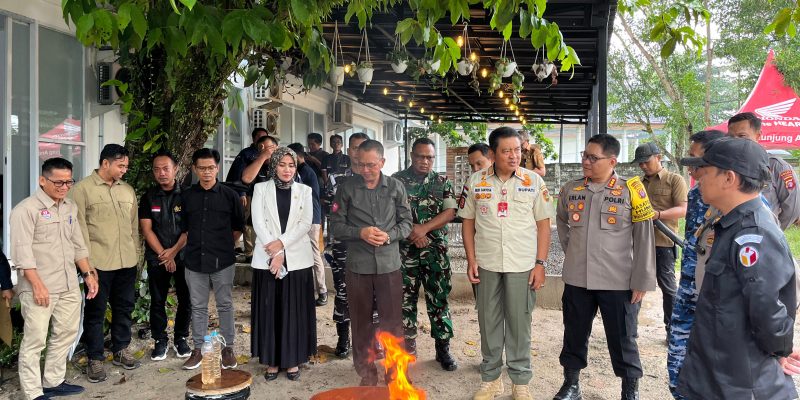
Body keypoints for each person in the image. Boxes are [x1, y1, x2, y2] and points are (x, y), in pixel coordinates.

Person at [677, 137, 797, 399]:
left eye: (704, 170)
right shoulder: (732, 225)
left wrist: (779, 351)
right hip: (720, 372)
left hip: (740, 382)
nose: (697, 177)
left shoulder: (753, 234)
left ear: (729, 178)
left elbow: (769, 312)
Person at [554, 133, 656, 400]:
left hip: (618, 281)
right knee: (574, 333)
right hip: (578, 278)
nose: (586, 162)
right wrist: (574, 253)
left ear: (612, 161)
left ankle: (629, 391)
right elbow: (562, 223)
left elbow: (644, 237)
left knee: (623, 339)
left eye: (593, 158)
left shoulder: (632, 190)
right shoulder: (571, 189)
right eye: (584, 156)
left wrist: (642, 280)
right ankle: (571, 385)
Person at [458, 127, 552, 400]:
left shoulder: (533, 181)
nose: (514, 156)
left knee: (519, 323)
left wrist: (540, 264)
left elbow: (544, 225)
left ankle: (520, 381)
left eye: (518, 150)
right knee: (488, 323)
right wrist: (471, 260)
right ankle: (491, 380)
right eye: (507, 151)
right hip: (486, 263)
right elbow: (468, 223)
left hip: (522, 264)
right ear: (492, 153)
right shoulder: (476, 181)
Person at [11, 158, 99, 400]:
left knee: (66, 333)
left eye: (69, 182)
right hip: (39, 286)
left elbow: (77, 244)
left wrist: (88, 274)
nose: (64, 187)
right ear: (43, 180)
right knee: (35, 340)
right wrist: (37, 286)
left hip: (68, 283)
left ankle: (53, 381)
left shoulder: (69, 206)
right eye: (58, 182)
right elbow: (22, 254)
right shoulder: (25, 210)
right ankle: (32, 392)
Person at [329, 139, 412, 386]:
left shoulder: (396, 187)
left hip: (389, 266)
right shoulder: (346, 189)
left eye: (371, 165)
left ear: (382, 162)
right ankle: (367, 373)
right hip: (358, 266)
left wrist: (389, 236)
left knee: (392, 322)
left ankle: (395, 372)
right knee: (361, 323)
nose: (365, 170)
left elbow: (407, 223)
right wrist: (360, 233)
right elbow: (335, 226)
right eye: (360, 164)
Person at [71, 144, 140, 382]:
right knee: (95, 313)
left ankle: (121, 349)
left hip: (126, 262)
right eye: (120, 166)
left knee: (124, 308)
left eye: (126, 166)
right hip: (97, 265)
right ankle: (95, 358)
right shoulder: (82, 190)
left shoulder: (127, 190)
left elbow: (133, 227)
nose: (124, 170)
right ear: (105, 163)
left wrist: (135, 255)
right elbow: (78, 232)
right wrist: (87, 268)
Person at [665, 130, 725, 399]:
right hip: (688, 291)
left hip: (715, 299)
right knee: (678, 364)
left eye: (695, 160)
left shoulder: (736, 203)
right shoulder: (695, 194)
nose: (691, 168)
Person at [250, 147, 317, 382]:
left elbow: (305, 224)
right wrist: (276, 252)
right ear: (273, 166)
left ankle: (292, 360)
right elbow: (258, 222)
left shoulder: (305, 191)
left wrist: (281, 246)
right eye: (282, 164)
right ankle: (272, 360)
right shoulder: (260, 188)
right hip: (267, 257)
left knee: (293, 310)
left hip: (297, 259)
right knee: (270, 309)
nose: (287, 169)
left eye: (291, 165)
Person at [392, 138, 458, 371]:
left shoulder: (442, 181)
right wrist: (412, 231)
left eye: (430, 157)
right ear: (412, 155)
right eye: (421, 156)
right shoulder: (396, 181)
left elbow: (450, 212)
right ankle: (408, 350)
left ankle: (443, 349)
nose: (425, 161)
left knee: (439, 300)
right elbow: (389, 212)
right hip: (405, 253)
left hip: (435, 252)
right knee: (404, 302)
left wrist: (424, 229)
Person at [180, 148, 245, 371]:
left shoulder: (230, 195)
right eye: (202, 168)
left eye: (210, 168)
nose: (206, 172)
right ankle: (198, 349)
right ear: (194, 169)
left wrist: (223, 244)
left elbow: (238, 227)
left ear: (217, 168)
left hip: (222, 260)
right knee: (198, 306)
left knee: (225, 304)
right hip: (194, 260)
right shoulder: (187, 196)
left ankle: (227, 349)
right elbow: (184, 227)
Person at [139, 151, 191, 361]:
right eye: (157, 169)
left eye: (165, 168)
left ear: (175, 169)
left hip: (184, 255)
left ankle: (181, 338)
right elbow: (146, 229)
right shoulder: (149, 197)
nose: (161, 173)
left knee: (186, 299)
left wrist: (174, 252)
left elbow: (190, 229)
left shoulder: (187, 195)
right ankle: (160, 340)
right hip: (157, 257)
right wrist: (164, 255)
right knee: (157, 300)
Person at [632, 142, 688, 336]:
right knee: (635, 285)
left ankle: (672, 330)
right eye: (640, 163)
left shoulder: (674, 180)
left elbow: (683, 209)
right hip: (639, 244)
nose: (643, 166)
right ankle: (630, 329)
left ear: (658, 157)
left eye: (646, 162)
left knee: (668, 287)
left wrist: (658, 215)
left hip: (663, 242)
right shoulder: (637, 185)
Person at [326, 132, 369, 358]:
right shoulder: (336, 178)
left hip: (370, 247)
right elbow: (333, 212)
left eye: (363, 147)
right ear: (348, 150)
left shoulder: (378, 178)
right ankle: (343, 339)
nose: (358, 152)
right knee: (343, 291)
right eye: (354, 147)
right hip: (343, 245)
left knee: (371, 293)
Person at [728, 112, 800, 229]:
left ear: (758, 136)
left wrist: (773, 230)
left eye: (742, 136)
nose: (735, 141)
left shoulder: (776, 166)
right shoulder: (725, 166)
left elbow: (793, 207)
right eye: (731, 137)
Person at [287, 143, 327, 306]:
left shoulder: (306, 172)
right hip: (303, 219)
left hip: (310, 219)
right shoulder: (302, 171)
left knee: (314, 255)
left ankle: (322, 292)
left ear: (297, 156)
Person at [226, 128, 269, 257]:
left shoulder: (269, 155)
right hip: (248, 193)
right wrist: (241, 193)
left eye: (265, 138)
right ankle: (249, 252)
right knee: (247, 222)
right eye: (259, 137)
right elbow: (238, 174)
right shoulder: (247, 153)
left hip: (263, 195)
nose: (262, 141)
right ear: (254, 139)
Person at [238, 135, 279, 261]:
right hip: (253, 198)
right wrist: (263, 156)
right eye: (268, 148)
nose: (271, 152)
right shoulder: (253, 159)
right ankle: (250, 253)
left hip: (274, 202)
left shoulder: (281, 163)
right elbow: (246, 178)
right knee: (250, 225)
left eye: (273, 149)